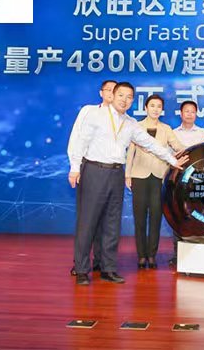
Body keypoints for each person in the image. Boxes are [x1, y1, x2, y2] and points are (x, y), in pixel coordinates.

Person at [68, 82, 188, 286]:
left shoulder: (131, 123)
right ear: (113, 96)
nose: (124, 100)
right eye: (121, 95)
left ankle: (108, 269)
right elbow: (81, 141)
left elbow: (150, 144)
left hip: (116, 173)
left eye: (129, 97)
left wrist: (172, 160)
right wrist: (74, 167)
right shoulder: (95, 115)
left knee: (112, 223)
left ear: (133, 101)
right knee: (87, 222)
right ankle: (81, 269)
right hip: (95, 170)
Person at [125, 95, 185, 270]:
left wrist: (193, 151)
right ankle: (141, 255)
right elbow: (130, 153)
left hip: (159, 176)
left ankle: (151, 255)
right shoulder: (136, 126)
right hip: (139, 175)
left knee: (156, 217)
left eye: (159, 106)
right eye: (152, 105)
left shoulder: (166, 129)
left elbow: (178, 147)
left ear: (162, 110)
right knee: (139, 217)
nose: (155, 109)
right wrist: (127, 175)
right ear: (146, 108)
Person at [66, 79, 116, 276]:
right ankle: (80, 264)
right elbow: (76, 138)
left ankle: (102, 262)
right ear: (101, 93)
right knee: (87, 220)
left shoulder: (122, 117)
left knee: (107, 222)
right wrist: (75, 167)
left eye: (115, 90)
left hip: (112, 173)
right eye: (108, 90)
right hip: (90, 169)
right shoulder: (89, 111)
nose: (112, 93)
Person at [169, 101, 204, 265]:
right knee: (179, 214)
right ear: (181, 113)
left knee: (198, 215)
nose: (190, 114)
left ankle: (198, 252)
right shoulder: (173, 133)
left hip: (198, 180)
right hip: (179, 180)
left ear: (196, 114)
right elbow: (169, 155)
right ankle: (178, 253)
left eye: (193, 112)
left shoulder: (203, 133)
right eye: (187, 111)